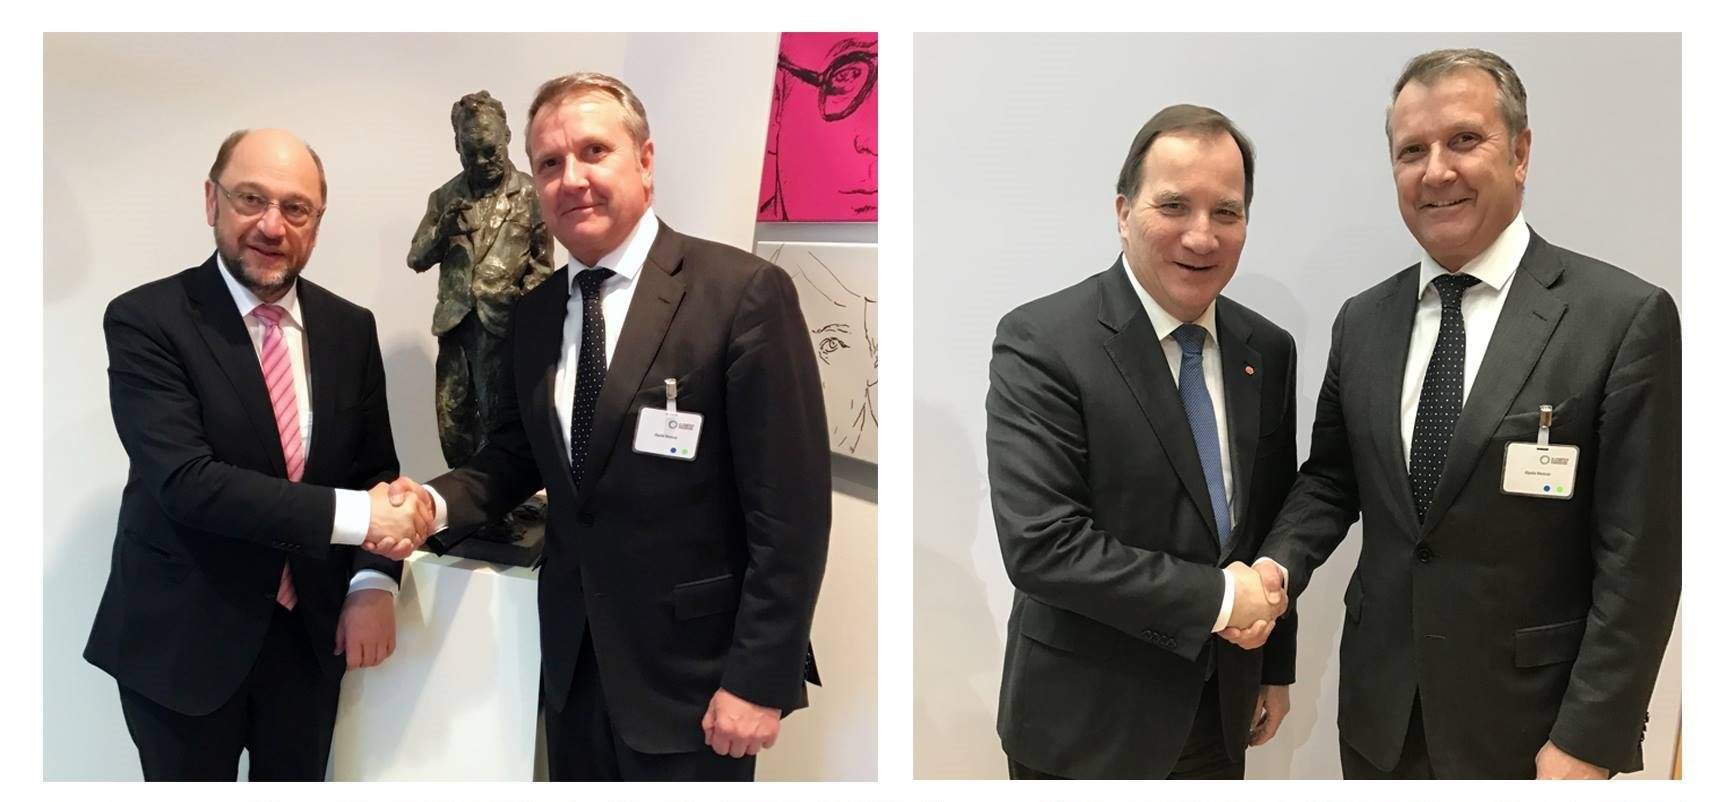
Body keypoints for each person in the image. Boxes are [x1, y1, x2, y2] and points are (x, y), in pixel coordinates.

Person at [385, 72, 830, 781]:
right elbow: (516, 455)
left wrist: (758, 680)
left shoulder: (741, 295)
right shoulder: (536, 315)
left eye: (594, 151)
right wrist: (431, 503)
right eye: (550, 163)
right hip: (574, 668)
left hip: (696, 682)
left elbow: (792, 513)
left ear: (644, 161)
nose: (572, 179)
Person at [1254, 48, 1681, 779]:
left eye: (1463, 140)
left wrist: (1590, 738)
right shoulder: (1364, 321)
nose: (1436, 171)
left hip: (1533, 734)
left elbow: (1640, 557)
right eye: (1411, 151)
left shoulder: (1621, 318)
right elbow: (1331, 480)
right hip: (1380, 719)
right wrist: (1275, 567)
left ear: (1520, 152)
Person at [83, 128, 433, 780]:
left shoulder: (350, 328)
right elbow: (188, 482)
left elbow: (373, 470)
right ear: (211, 201)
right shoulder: (146, 319)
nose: (272, 226)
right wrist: (364, 517)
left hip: (309, 642)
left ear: (316, 225)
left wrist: (373, 581)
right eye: (251, 199)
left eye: (296, 208)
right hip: (183, 645)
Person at [985, 104, 1298, 780]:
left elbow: (1268, 520)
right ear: (1124, 212)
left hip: (1220, 711)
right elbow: (1042, 546)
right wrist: (1220, 599)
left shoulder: (1267, 349)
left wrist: (1274, 666)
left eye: (1226, 212)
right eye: (1174, 205)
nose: (1202, 235)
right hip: (1086, 725)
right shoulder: (1042, 341)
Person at [408, 90, 554, 472]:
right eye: (470, 153)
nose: (482, 162)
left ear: (507, 138)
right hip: (456, 325)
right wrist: (441, 231)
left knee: (499, 418)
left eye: (490, 151)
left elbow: (542, 266)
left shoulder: (532, 194)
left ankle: (496, 494)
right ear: (457, 147)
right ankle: (462, 492)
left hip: (504, 327)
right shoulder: (443, 198)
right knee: (452, 418)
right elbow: (416, 258)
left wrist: (524, 311)